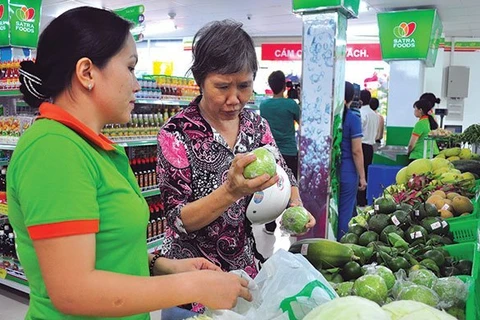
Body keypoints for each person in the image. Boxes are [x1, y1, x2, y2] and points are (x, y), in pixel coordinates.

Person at [7, 7, 252, 320]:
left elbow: (109, 250)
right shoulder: (53, 150)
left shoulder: (93, 148)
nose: (137, 85)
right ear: (87, 72)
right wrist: (193, 285)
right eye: (130, 68)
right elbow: (73, 291)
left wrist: (162, 266)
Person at [156, 20, 316, 313]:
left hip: (245, 273)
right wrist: (230, 191)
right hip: (192, 281)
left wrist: (295, 204)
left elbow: (283, 171)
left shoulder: (256, 125)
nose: (234, 99)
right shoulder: (176, 133)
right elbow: (178, 220)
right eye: (222, 87)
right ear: (200, 80)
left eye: (244, 86)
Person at [260, 70, 301, 235]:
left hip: (270, 153)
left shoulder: (264, 105)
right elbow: (302, 122)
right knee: (290, 187)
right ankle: (290, 222)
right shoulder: (291, 104)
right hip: (290, 151)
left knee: (271, 188)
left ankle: (270, 224)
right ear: (285, 86)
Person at [338, 82, 366, 240]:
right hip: (348, 171)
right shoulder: (352, 118)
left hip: (333, 170)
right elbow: (357, 151)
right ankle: (341, 244)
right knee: (345, 211)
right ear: (351, 97)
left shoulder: (333, 119)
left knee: (333, 210)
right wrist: (362, 177)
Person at [358, 89, 378, 207]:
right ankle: (364, 199)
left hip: (361, 146)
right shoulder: (374, 114)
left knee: (360, 174)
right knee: (366, 173)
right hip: (370, 147)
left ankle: (359, 200)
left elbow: (358, 133)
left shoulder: (361, 113)